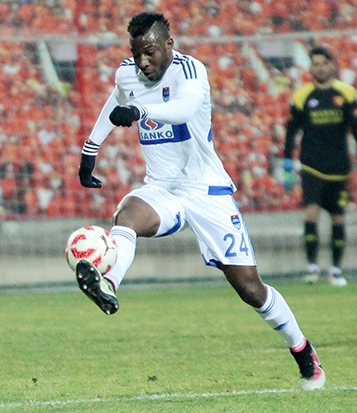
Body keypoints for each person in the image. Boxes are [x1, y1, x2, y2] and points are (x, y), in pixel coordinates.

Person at [75, 11, 325, 391]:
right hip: (163, 188)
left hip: (206, 191)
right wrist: (90, 149)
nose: (143, 62)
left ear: (169, 45)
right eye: (137, 54)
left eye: (150, 52)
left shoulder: (191, 72)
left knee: (250, 289)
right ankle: (108, 282)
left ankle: (303, 349)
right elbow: (117, 100)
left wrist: (141, 110)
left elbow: (184, 110)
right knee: (127, 216)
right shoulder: (127, 73)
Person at [283, 45, 357, 287]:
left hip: (339, 167)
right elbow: (291, 130)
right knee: (311, 213)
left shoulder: (346, 94)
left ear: (332, 65)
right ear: (311, 68)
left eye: (324, 63)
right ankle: (312, 268)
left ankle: (336, 270)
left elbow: (354, 127)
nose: (320, 68)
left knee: (338, 217)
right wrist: (287, 161)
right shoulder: (302, 96)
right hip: (311, 165)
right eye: (315, 64)